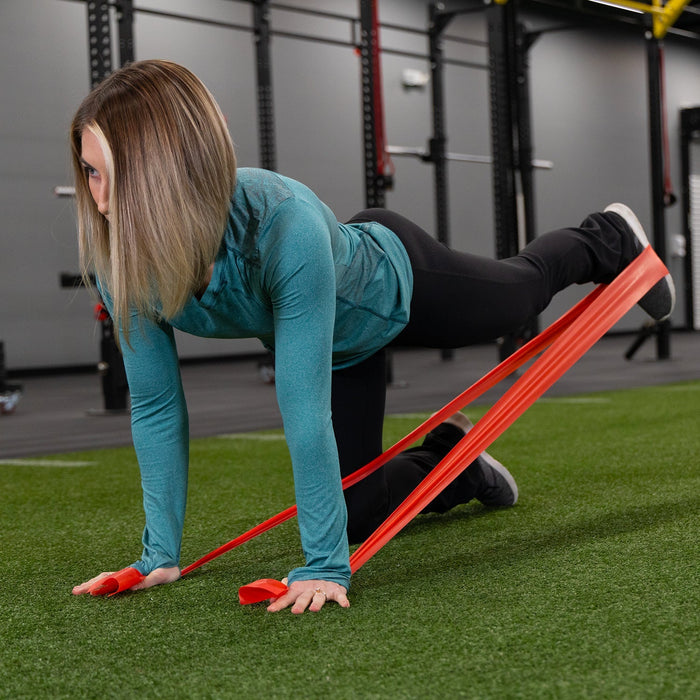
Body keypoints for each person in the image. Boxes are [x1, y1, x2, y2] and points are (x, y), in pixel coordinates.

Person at [69, 60, 674, 613]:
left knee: (522, 293)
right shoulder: (119, 261)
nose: (97, 200)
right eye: (89, 173)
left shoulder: (283, 222)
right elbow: (154, 403)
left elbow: (302, 411)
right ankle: (454, 462)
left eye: (111, 177)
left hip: (395, 281)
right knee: (357, 514)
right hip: (334, 346)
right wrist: (159, 556)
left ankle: (608, 238)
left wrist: (324, 568)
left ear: (166, 176)